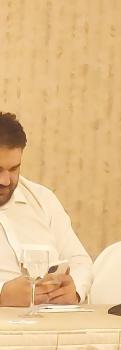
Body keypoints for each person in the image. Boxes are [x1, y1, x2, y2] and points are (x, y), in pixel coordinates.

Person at [0, 111, 93, 306]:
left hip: (52, 321)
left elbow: (80, 261)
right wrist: (2, 295)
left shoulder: (43, 199)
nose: (6, 181)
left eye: (14, 169)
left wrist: (74, 290)